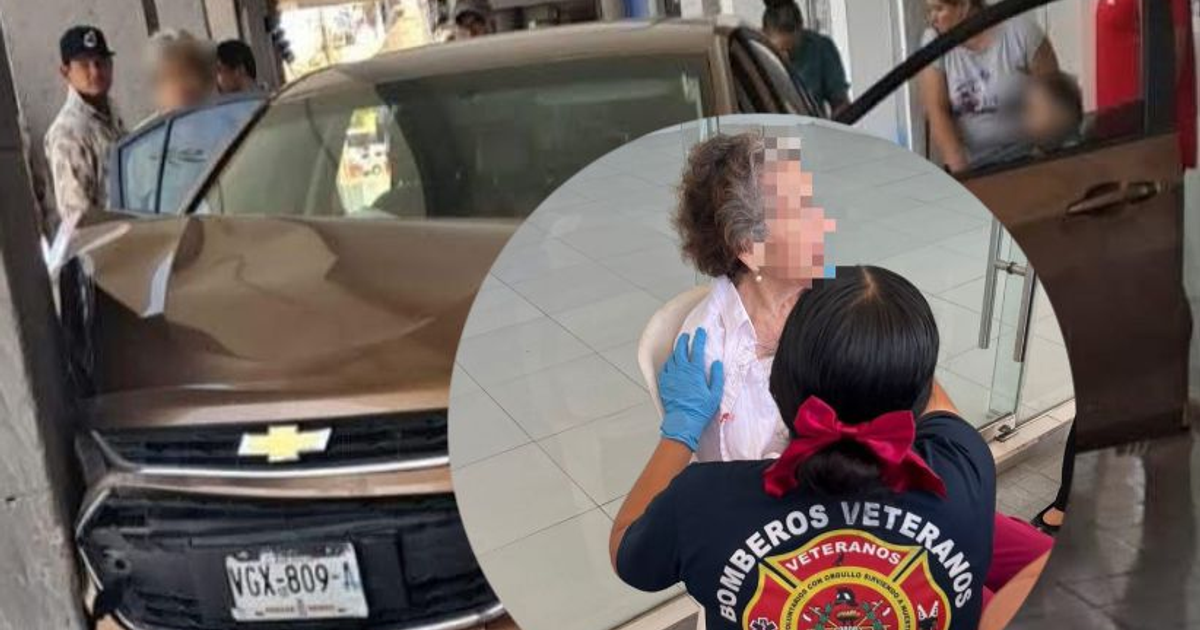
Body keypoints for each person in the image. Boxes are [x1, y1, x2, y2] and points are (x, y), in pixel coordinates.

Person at [671, 131, 1052, 602]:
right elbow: (754, 501)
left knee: (1047, 561)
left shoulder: (826, 296)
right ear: (751, 248)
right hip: (817, 536)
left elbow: (908, 388)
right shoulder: (710, 357)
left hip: (891, 488)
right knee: (970, 595)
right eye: (803, 211)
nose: (825, 224)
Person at [612, 266, 996, 630]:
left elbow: (626, 553)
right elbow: (931, 397)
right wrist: (879, 336)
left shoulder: (703, 502)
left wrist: (680, 430)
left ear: (778, 386)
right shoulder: (963, 467)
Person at [918, 0, 1059, 172]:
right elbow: (936, 110)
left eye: (939, 9)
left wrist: (1041, 157)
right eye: (929, 11)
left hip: (1026, 158)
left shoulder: (1022, 32)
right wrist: (962, 172)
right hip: (971, 165)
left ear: (964, 6)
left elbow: (1055, 98)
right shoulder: (933, 41)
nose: (932, 19)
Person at [44, 25, 127, 232]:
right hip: (109, 248)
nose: (96, 71)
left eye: (101, 62)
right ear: (65, 72)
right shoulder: (68, 133)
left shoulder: (110, 111)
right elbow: (78, 219)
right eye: (84, 64)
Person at [762, 0, 850, 117]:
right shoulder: (753, 52)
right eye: (780, 52)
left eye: (792, 50)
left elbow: (840, 102)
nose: (786, 58)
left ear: (801, 29)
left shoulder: (821, 48)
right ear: (764, 36)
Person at [144, 29, 216, 119]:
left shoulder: (226, 120)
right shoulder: (152, 131)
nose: (182, 86)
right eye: (172, 78)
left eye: (187, 74)